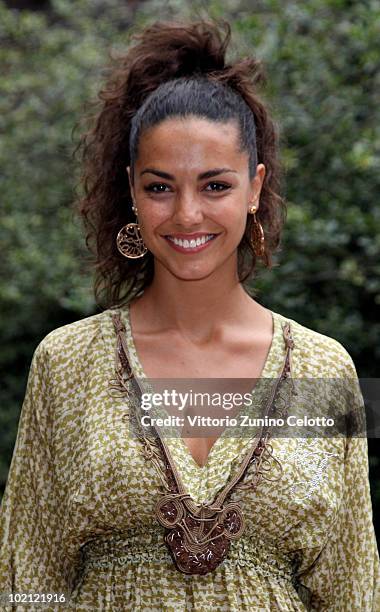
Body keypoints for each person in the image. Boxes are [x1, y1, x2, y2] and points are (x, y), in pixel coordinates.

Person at [0, 18, 379, 612]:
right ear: (130, 189)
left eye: (214, 185)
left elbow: (352, 589)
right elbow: (26, 584)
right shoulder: (65, 361)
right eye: (159, 188)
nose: (186, 214)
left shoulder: (327, 370)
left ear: (255, 188)